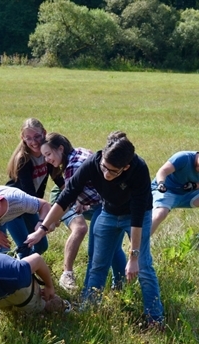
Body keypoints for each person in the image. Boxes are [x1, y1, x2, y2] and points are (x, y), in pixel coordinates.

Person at [26, 132, 164, 327]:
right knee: (97, 265)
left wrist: (133, 257)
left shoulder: (139, 169)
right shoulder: (94, 162)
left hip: (135, 216)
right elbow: (66, 196)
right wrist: (42, 229)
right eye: (104, 168)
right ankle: (89, 310)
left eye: (113, 171)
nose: (106, 174)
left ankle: (155, 319)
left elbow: (138, 214)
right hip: (108, 212)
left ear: (125, 167)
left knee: (144, 267)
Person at [40, 132, 126, 292]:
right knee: (113, 248)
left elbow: (66, 201)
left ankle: (89, 297)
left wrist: (49, 223)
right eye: (44, 156)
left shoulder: (73, 166)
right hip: (116, 203)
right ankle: (120, 288)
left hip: (105, 206)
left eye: (48, 154)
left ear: (60, 148)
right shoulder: (80, 152)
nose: (47, 160)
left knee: (96, 254)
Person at [5, 118, 64, 253]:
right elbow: (29, 192)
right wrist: (49, 218)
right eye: (29, 138)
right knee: (26, 247)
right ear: (23, 138)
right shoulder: (23, 159)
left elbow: (58, 179)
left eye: (37, 136)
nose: (34, 142)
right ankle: (22, 269)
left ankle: (18, 261)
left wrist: (75, 196)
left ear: (44, 133)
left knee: (41, 245)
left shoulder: (46, 153)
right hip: (13, 207)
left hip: (30, 204)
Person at [150, 150, 199, 237]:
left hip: (184, 194)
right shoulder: (184, 157)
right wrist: (161, 183)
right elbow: (162, 171)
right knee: (160, 214)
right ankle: (139, 243)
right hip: (166, 191)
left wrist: (194, 185)